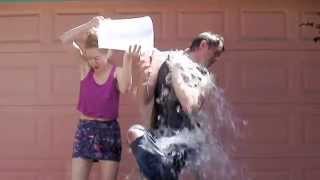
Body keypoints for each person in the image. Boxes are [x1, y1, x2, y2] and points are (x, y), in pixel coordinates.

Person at [127, 32, 225, 180]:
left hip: (186, 142)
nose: (216, 59)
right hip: (159, 139)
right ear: (204, 45)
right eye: (216, 53)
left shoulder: (205, 77)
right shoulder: (164, 59)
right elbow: (144, 100)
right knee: (134, 132)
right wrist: (141, 71)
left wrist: (176, 72)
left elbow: (190, 105)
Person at [59, 16, 140, 180]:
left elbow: (124, 87)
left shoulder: (116, 72)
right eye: (89, 57)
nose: (92, 62)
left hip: (108, 131)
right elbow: (65, 40)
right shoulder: (85, 68)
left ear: (108, 52)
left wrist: (128, 58)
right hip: (85, 129)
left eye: (96, 57)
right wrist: (88, 25)